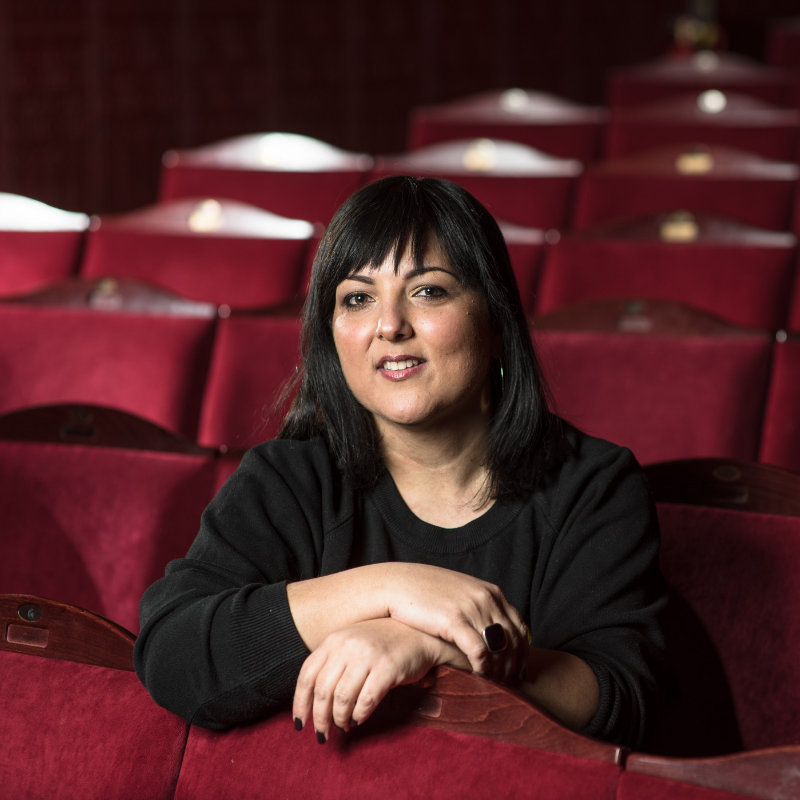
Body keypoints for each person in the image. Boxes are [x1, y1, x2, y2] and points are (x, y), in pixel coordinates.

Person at [135, 176, 669, 748]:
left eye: (428, 291)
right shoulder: (287, 479)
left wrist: (439, 648)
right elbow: (172, 654)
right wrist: (389, 592)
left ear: (494, 322)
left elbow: (624, 698)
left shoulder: (593, 484)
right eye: (358, 298)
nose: (389, 326)